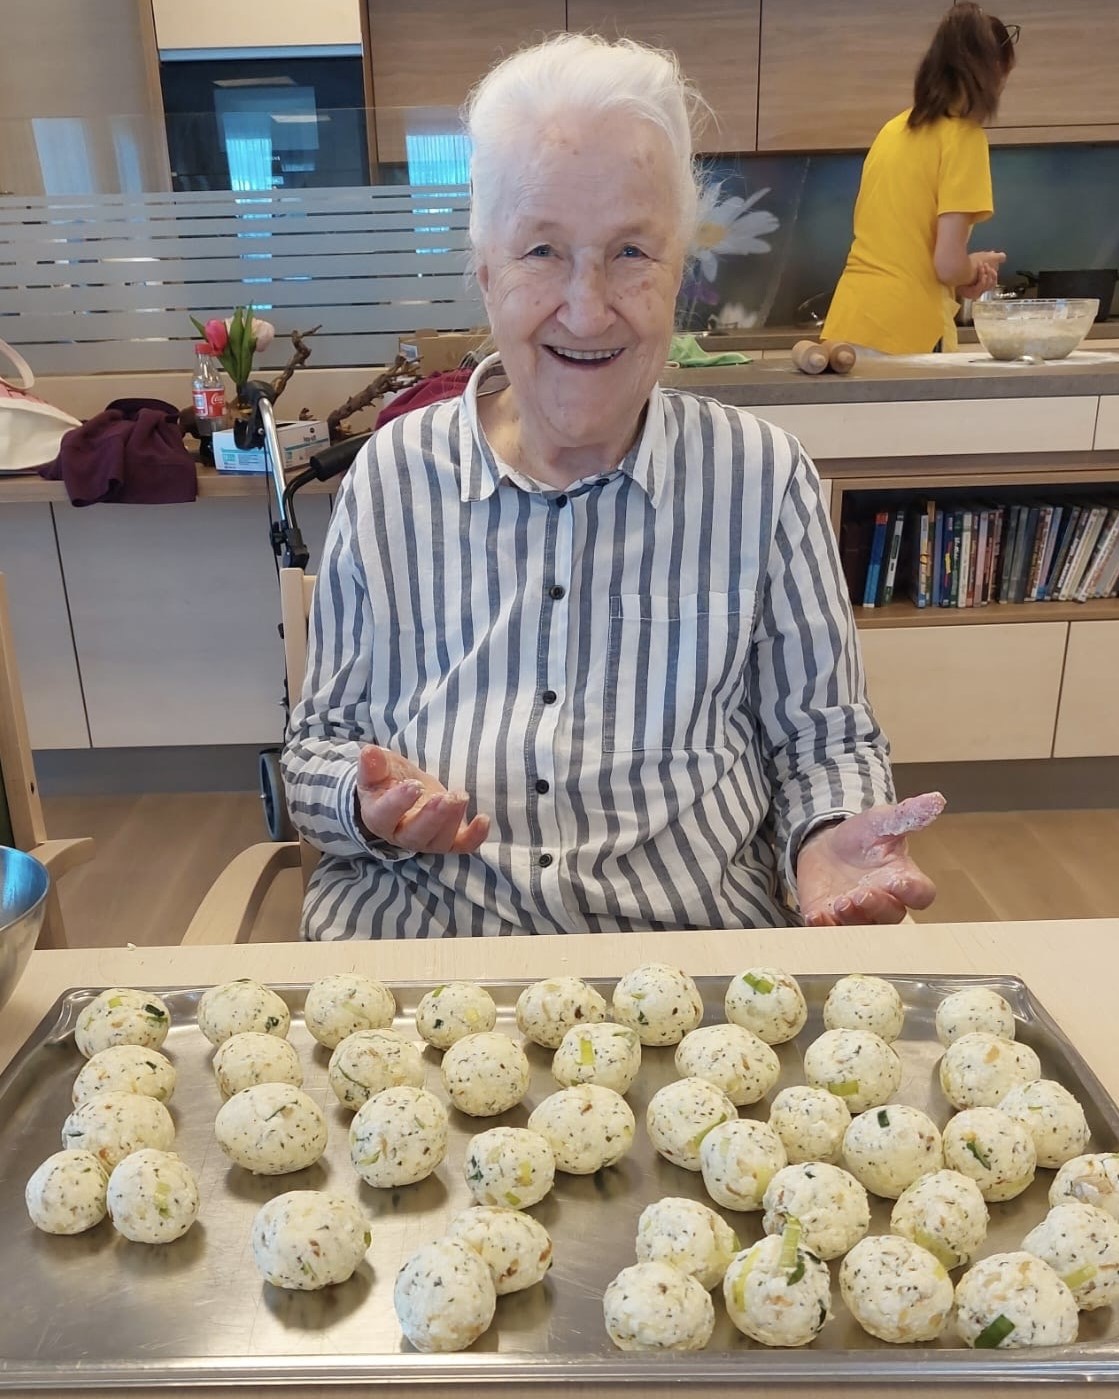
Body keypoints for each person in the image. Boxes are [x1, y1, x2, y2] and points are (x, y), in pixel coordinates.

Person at [282, 33, 944, 941]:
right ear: (485, 269)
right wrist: (365, 806)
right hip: (424, 954)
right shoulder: (391, 477)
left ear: (680, 271)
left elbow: (822, 739)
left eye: (631, 251)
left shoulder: (762, 476)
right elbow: (317, 748)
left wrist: (828, 836)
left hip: (690, 960)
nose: (587, 310)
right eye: (541, 251)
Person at [822, 2, 1018, 355]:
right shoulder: (964, 138)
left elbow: (906, 250)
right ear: (993, 72)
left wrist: (961, 280)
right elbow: (947, 264)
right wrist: (972, 268)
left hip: (850, 324)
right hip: (907, 334)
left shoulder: (893, 129)